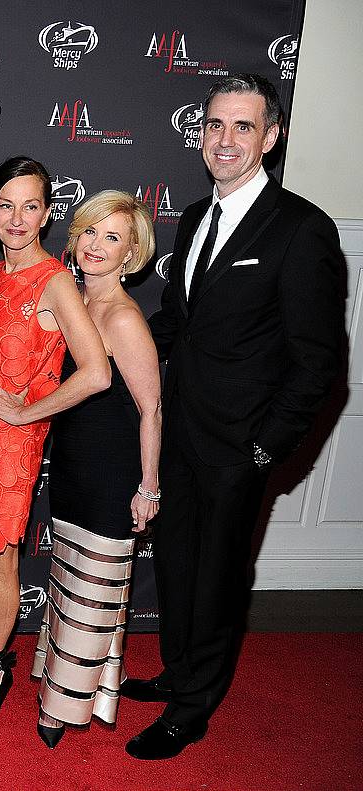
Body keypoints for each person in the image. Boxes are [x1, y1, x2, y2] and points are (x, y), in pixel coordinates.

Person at [124, 73, 343, 760]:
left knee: (219, 576)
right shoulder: (194, 217)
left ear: (270, 138)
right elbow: (177, 323)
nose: (225, 139)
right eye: (215, 125)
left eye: (242, 127)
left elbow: (319, 360)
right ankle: (180, 672)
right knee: (182, 566)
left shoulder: (302, 228)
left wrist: (264, 447)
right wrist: (101, 347)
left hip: (236, 445)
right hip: (180, 431)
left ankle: (192, 710)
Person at [0, 156, 110, 712]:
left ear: (46, 213)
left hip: (9, 448)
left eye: (30, 205)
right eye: (6, 205)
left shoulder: (55, 282)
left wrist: (28, 411)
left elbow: (96, 372)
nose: (17, 217)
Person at [29, 191, 160, 748]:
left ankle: (61, 709)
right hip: (73, 468)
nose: (97, 246)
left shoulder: (125, 318)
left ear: (133, 253)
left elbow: (151, 408)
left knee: (95, 591)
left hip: (112, 475)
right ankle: (88, 684)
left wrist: (148, 485)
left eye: (113, 238)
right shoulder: (72, 302)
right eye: (90, 232)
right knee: (74, 586)